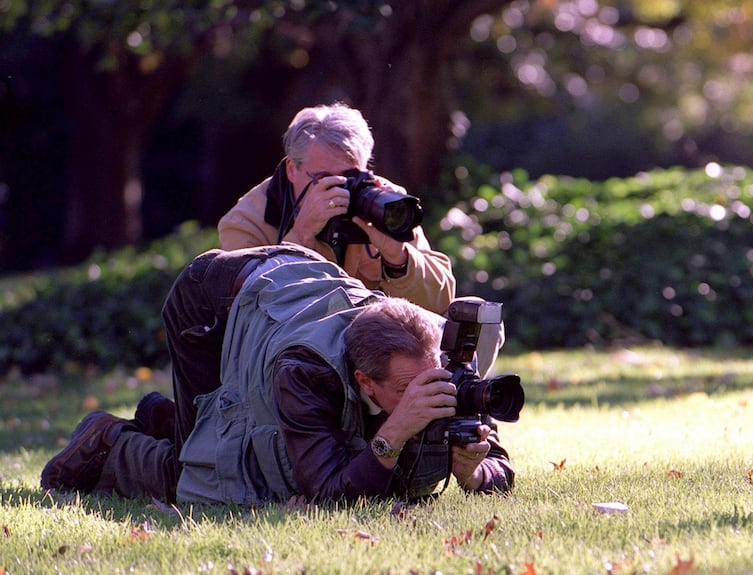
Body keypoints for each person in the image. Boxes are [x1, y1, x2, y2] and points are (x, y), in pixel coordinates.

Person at [40, 244, 514, 503]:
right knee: (204, 474)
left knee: (201, 437)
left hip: (296, 282)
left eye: (427, 384)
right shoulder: (306, 370)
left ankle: (161, 418)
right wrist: (395, 431)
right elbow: (328, 492)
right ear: (363, 382)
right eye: (405, 391)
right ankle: (109, 438)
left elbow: (502, 467)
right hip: (212, 301)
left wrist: (472, 473)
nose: (426, 397)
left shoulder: (441, 354)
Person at [218, 102, 455, 316]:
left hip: (376, 345)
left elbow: (441, 302)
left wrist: (399, 259)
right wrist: (301, 235)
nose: (338, 189)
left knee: (475, 319)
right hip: (293, 349)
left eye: (350, 176)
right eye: (324, 178)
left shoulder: (386, 202)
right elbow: (249, 310)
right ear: (292, 169)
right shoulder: (245, 221)